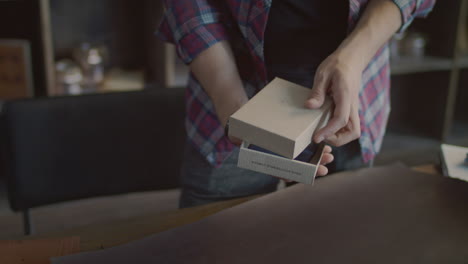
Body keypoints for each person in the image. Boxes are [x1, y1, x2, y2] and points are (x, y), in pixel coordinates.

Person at [157, 0, 435, 208]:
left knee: (335, 240)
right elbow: (189, 6)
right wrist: (229, 100)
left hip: (350, 101)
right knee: (213, 242)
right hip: (232, 89)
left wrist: (352, 58)